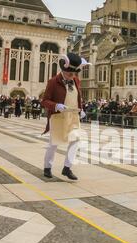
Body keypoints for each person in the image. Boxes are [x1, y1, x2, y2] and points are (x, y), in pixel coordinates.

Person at [41, 53, 89, 181]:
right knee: (54, 143)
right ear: (63, 70)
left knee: (75, 140)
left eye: (74, 74)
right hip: (58, 117)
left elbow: (78, 97)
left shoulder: (76, 80)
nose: (72, 76)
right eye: (70, 74)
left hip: (73, 115)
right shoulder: (53, 82)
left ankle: (67, 168)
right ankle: (47, 167)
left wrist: (81, 109)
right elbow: (44, 101)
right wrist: (56, 105)